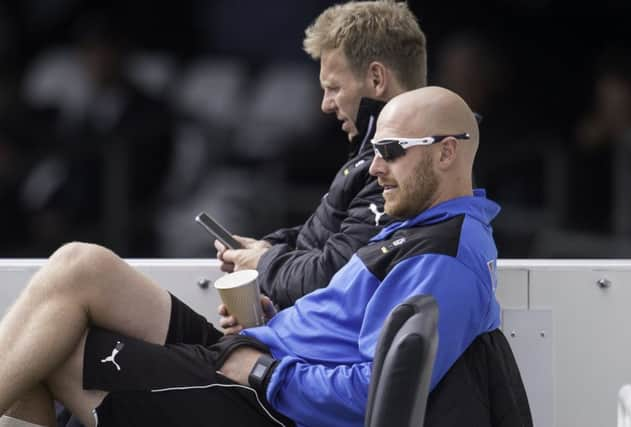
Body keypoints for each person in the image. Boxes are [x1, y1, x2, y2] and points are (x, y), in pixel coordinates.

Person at [0, 85, 501, 427]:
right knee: (80, 266)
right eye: (373, 150)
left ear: (446, 153)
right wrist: (277, 319)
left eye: (390, 149)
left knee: (59, 353)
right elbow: (344, 330)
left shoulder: (444, 256)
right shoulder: (421, 227)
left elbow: (373, 395)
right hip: (259, 354)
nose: (373, 167)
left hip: (268, 398)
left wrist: (263, 371)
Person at [215, 0, 427, 316]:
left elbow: (334, 278)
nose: (325, 106)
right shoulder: (374, 154)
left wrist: (263, 262)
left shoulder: (399, 166)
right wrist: (268, 249)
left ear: (376, 79)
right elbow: (329, 246)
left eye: (333, 88)